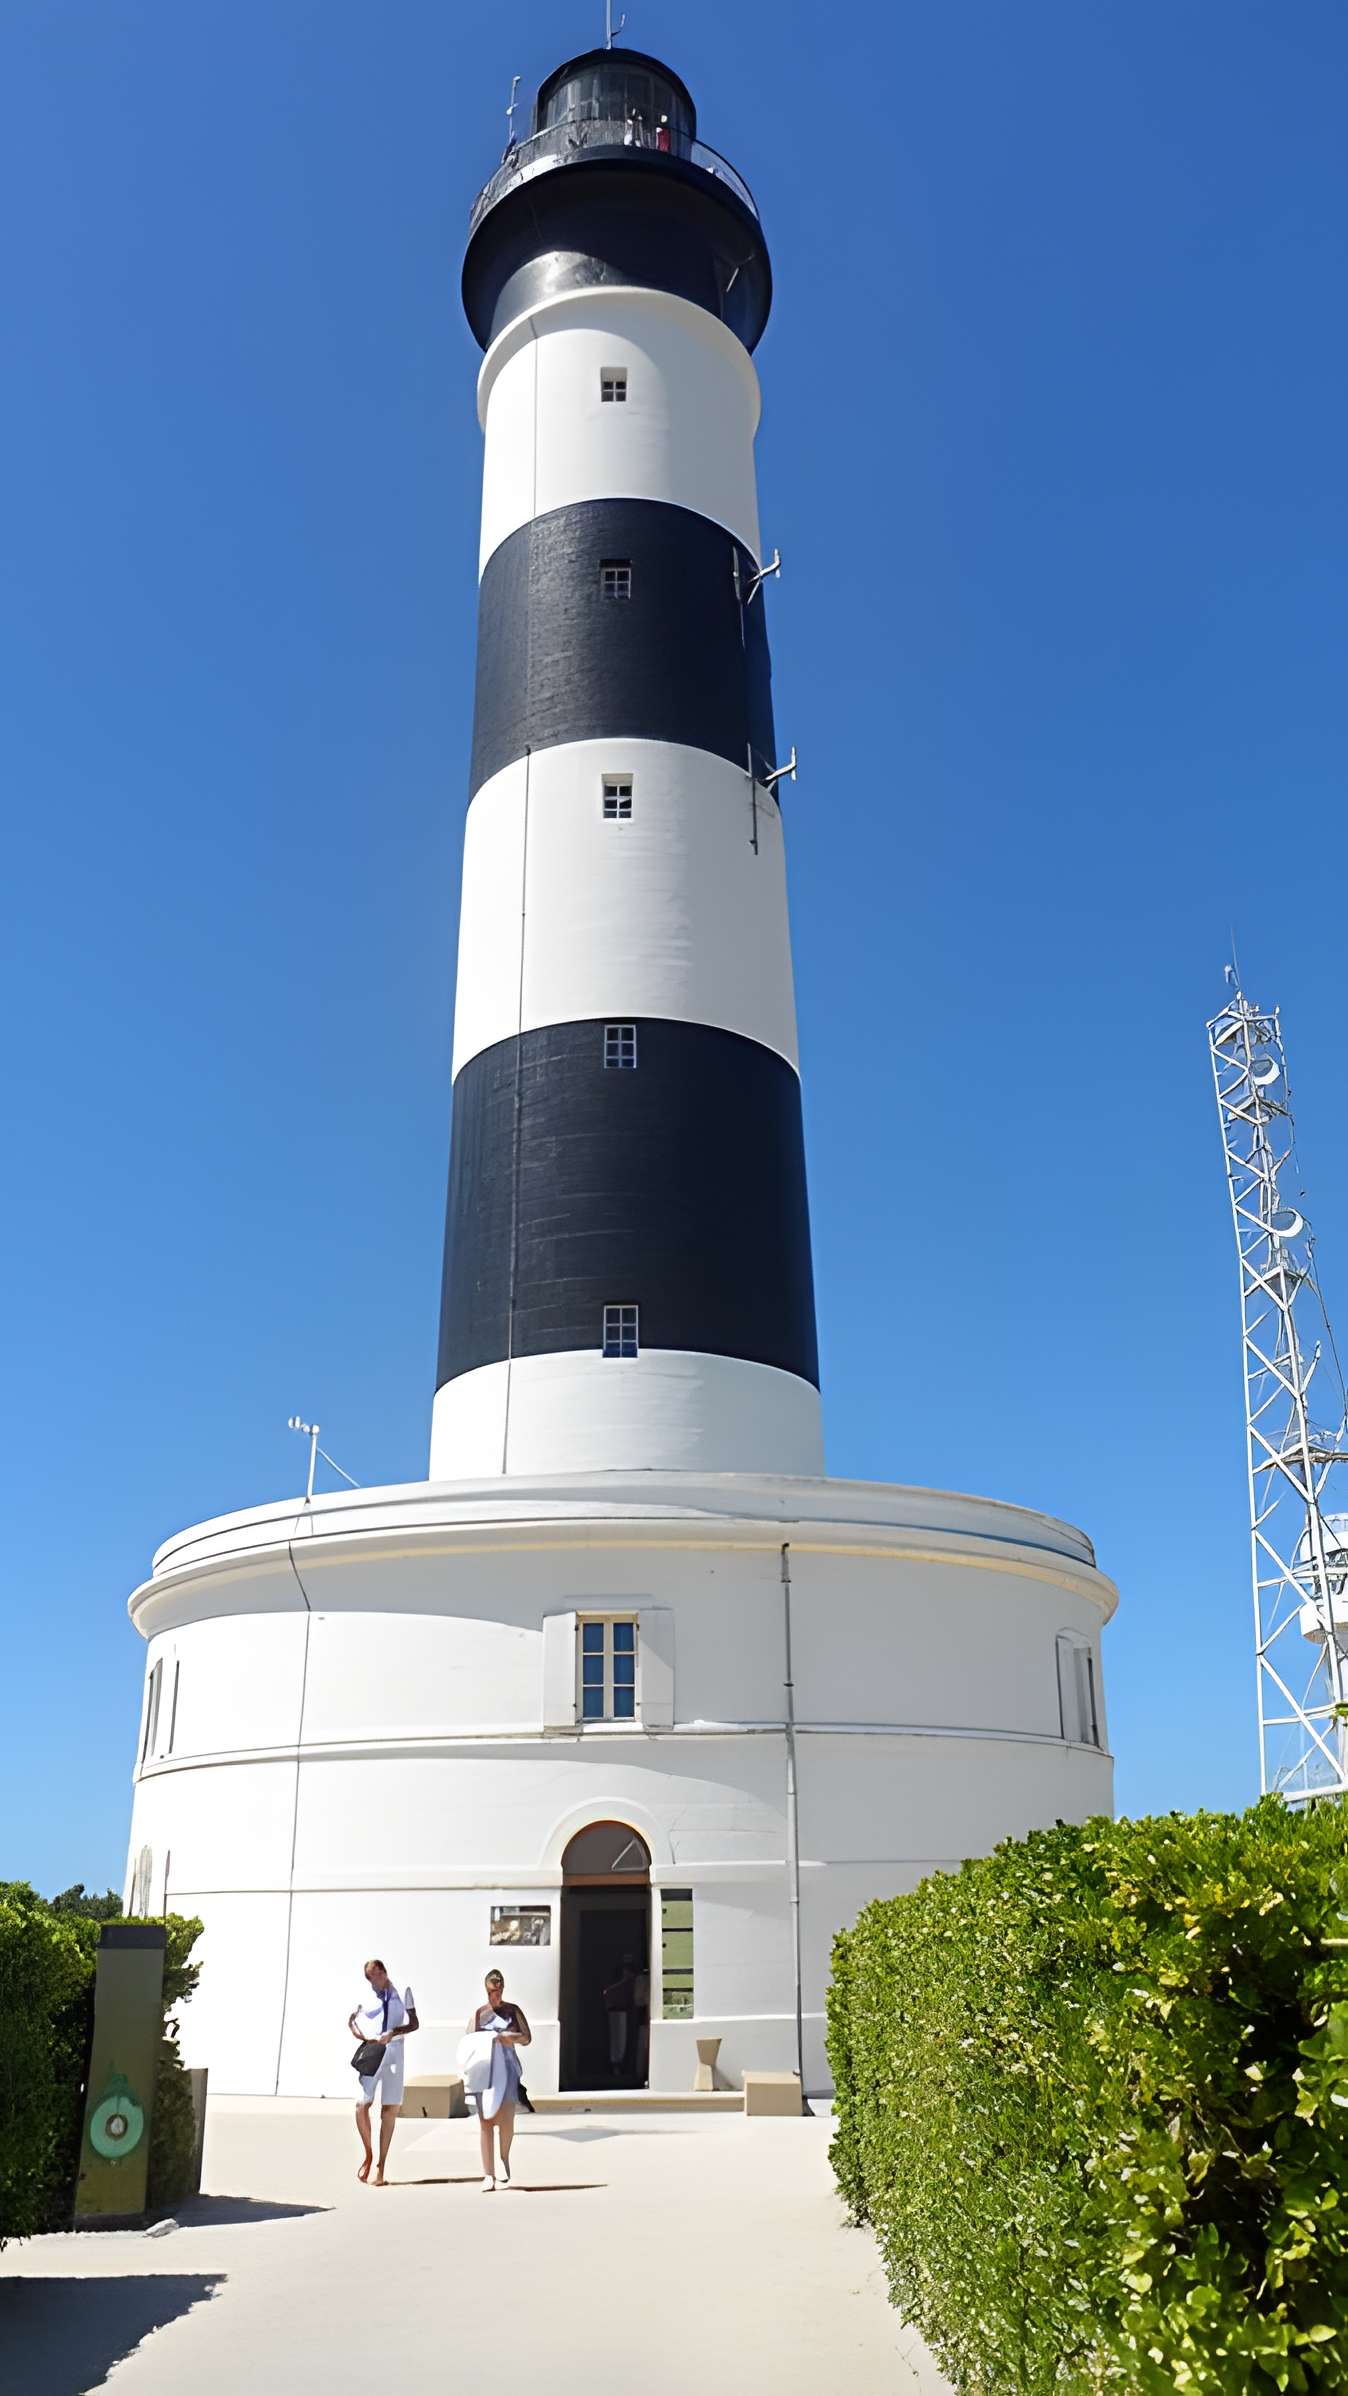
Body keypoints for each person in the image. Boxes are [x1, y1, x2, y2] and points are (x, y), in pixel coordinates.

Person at [348, 1957, 418, 2187]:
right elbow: (356, 2020)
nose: (376, 1980)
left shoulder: (402, 1991)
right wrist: (355, 2028)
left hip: (395, 2049)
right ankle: (368, 2154)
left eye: (379, 1974)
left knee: (389, 2109)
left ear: (385, 1972)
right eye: (371, 1977)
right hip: (374, 2050)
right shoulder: (366, 1997)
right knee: (362, 2104)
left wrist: (394, 2031)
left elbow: (414, 2023)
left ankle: (381, 2166)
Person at [468, 1968, 531, 2191]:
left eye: (499, 1989)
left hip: (507, 2069)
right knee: (485, 2122)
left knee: (506, 2120)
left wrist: (509, 2037)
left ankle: (503, 2158)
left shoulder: (513, 2011)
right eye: (491, 1990)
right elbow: (469, 2042)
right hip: (485, 2071)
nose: (495, 1994)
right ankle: (488, 2174)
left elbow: (526, 2037)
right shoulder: (479, 2014)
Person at [603, 1956, 638, 2081]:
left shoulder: (630, 1981)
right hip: (619, 2012)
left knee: (622, 2040)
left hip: (625, 2012)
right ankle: (617, 2067)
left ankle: (621, 2066)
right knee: (618, 2040)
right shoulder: (623, 1983)